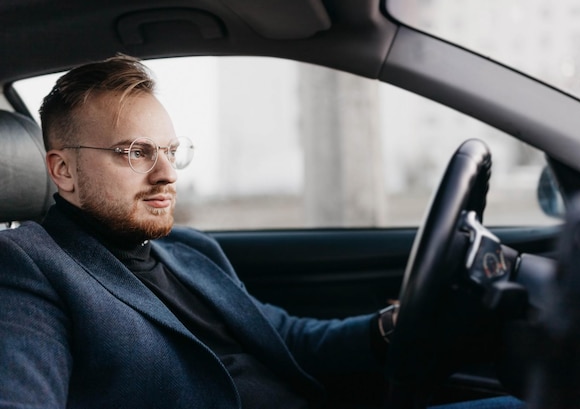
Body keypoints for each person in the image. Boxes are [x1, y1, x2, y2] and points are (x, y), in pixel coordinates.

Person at [0, 54, 523, 408]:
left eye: (169, 151)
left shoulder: (187, 249)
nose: (167, 173)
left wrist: (391, 326)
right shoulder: (26, 266)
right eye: (134, 153)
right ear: (62, 171)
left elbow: (287, 340)